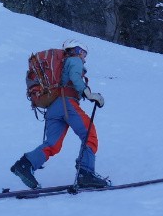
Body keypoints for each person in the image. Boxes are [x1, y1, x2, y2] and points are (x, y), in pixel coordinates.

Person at [11, 42, 110, 190]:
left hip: (53, 107)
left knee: (53, 144)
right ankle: (86, 173)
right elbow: (75, 77)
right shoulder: (74, 59)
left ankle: (25, 164)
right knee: (89, 134)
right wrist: (91, 95)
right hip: (67, 104)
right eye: (84, 53)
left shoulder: (62, 63)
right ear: (76, 50)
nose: (84, 57)